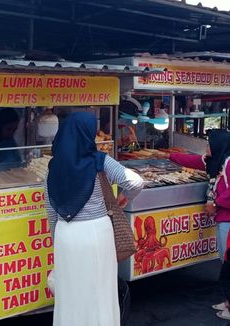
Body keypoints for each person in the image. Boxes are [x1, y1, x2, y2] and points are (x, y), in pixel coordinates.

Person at [45, 112, 143, 326]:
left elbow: (51, 211)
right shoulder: (100, 160)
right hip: (96, 233)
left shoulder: (53, 166)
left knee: (70, 292)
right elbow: (135, 182)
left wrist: (58, 241)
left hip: (65, 234)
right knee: (99, 290)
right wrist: (124, 197)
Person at [157, 129, 230, 317]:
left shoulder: (229, 163)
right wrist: (169, 155)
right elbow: (194, 162)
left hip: (227, 219)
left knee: (228, 262)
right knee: (225, 261)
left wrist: (215, 202)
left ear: (219, 145)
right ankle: (228, 301)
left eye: (209, 144)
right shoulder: (215, 161)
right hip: (222, 218)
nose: (207, 147)